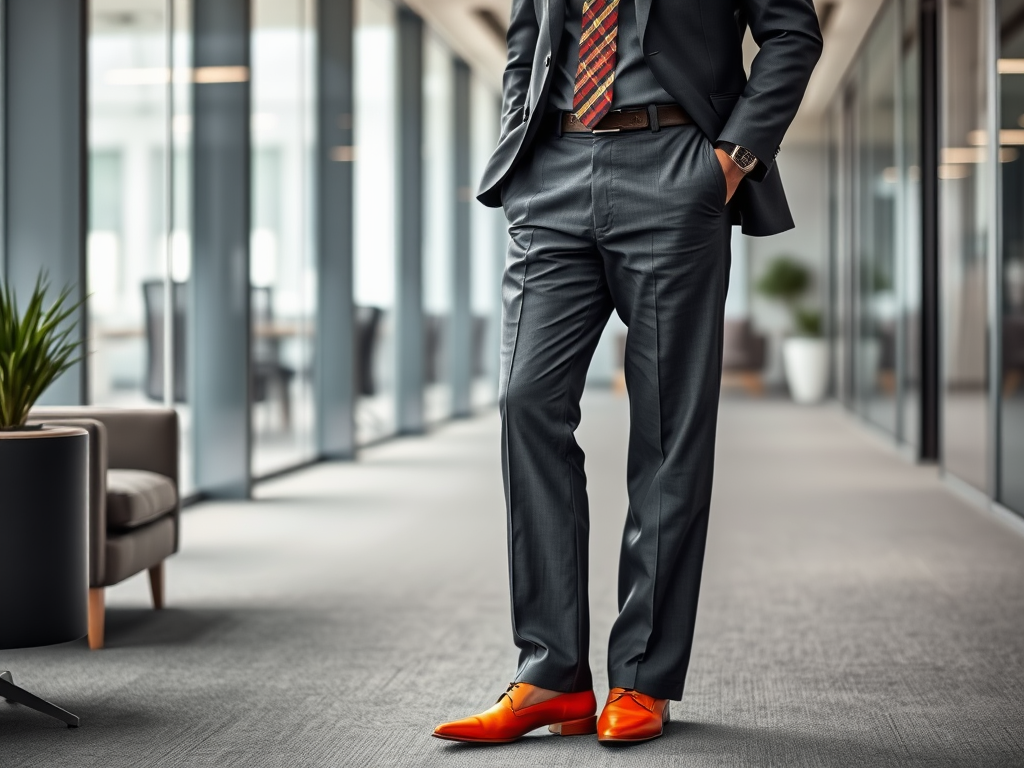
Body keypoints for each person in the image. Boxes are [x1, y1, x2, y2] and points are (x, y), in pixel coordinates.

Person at [434, 0, 822, 745]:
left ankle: (643, 676)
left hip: (675, 163)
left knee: (668, 428)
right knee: (526, 401)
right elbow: (528, 35)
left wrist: (731, 161)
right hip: (550, 172)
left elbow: (792, 33)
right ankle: (550, 674)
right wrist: (522, 133)